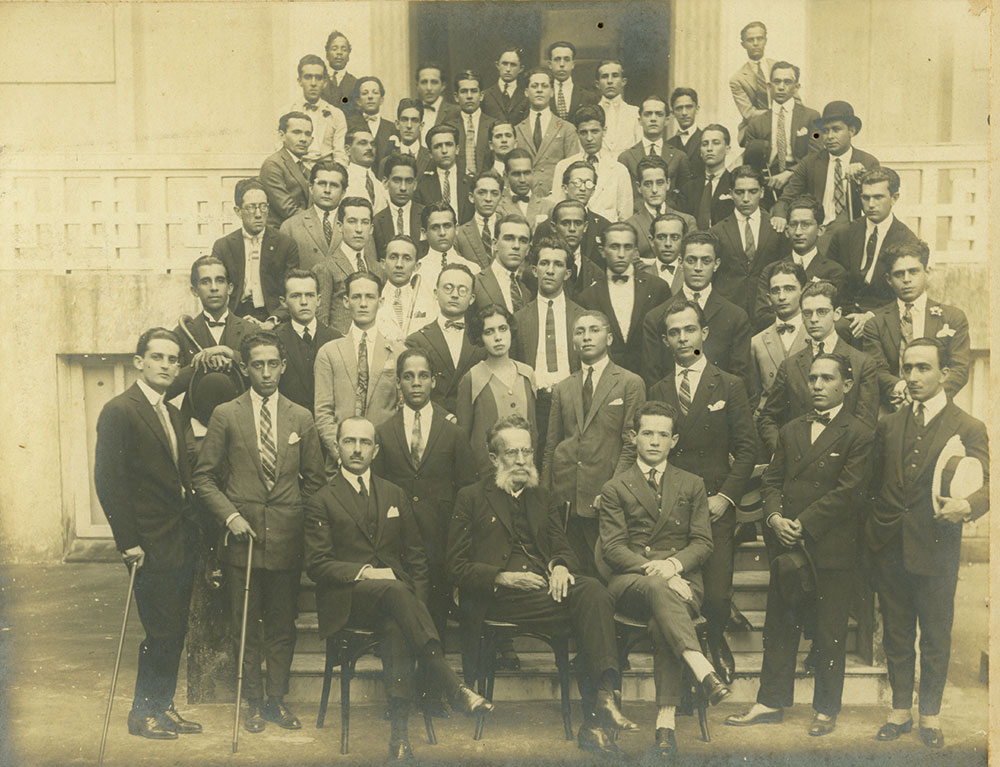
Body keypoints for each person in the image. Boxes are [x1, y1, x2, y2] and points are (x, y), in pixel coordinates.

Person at [304, 416, 493, 761]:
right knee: (392, 587)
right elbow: (317, 564)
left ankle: (400, 738)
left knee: (397, 626)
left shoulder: (394, 493)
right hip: (348, 599)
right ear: (338, 448)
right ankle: (454, 685)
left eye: (364, 442)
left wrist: (414, 604)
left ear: (376, 450)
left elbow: (416, 557)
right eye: (349, 441)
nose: (357, 449)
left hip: (395, 605)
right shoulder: (323, 499)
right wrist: (365, 573)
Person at [448, 415, 637, 757]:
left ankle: (600, 707)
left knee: (594, 592)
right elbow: (456, 567)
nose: (521, 461)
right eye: (512, 453)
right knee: (594, 603)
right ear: (494, 459)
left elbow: (561, 545)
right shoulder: (471, 497)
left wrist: (561, 565)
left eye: (527, 452)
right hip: (498, 598)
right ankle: (601, 703)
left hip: (544, 594)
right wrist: (501, 577)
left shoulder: (543, 497)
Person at [726, 353, 874, 737]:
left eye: (827, 378)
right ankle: (769, 701)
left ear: (846, 384)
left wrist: (802, 524)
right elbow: (772, 482)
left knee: (830, 631)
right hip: (787, 547)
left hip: (831, 549)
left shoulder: (859, 433)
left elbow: (849, 493)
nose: (818, 386)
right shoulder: (791, 429)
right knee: (779, 624)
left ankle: (826, 708)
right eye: (813, 379)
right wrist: (774, 518)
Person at [193, 331, 324, 733]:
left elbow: (316, 481)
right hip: (242, 539)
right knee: (246, 624)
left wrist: (296, 517)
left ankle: (276, 701)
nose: (266, 373)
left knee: (283, 625)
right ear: (245, 368)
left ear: (283, 366)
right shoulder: (226, 414)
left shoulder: (301, 417)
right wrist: (231, 517)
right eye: (257, 365)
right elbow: (204, 478)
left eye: (273, 364)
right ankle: (251, 702)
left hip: (287, 538)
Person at [867, 338, 989, 749]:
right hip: (891, 547)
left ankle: (931, 716)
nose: (914, 376)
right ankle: (900, 711)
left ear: (942, 373)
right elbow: (874, 484)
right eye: (908, 368)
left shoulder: (968, 426)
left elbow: (988, 486)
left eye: (923, 368)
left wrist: (966, 506)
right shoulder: (888, 423)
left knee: (936, 636)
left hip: (937, 548)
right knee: (897, 635)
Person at [598, 401, 732, 757]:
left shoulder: (691, 483)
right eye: (647, 433)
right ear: (633, 437)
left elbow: (703, 542)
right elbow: (613, 549)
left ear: (673, 440)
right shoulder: (615, 487)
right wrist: (657, 570)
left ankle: (666, 722)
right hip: (631, 581)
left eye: (662, 434)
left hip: (682, 580)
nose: (654, 441)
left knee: (663, 621)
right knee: (659, 588)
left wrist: (673, 566)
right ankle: (701, 668)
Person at [94, 328, 202, 740]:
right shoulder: (121, 410)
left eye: (173, 360)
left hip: (179, 538)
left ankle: (163, 705)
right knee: (160, 630)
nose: (166, 365)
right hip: (148, 543)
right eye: (157, 357)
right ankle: (143, 713)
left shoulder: (173, 413)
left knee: (174, 628)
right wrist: (128, 543)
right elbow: (109, 481)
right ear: (139, 361)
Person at [649, 300, 759, 683]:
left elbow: (748, 449)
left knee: (715, 594)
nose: (683, 339)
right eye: (675, 332)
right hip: (672, 507)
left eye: (689, 330)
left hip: (713, 506)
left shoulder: (729, 384)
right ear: (666, 339)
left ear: (703, 333)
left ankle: (714, 641)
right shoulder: (659, 389)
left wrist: (725, 498)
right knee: (678, 591)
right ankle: (686, 656)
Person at [373, 348, 478, 641]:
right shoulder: (384, 432)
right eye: (408, 377)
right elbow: (378, 488)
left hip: (440, 539)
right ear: (398, 383)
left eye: (423, 376)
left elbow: (467, 488)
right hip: (398, 541)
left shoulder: (453, 431)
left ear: (433, 381)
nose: (416, 383)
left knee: (436, 616)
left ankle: (434, 679)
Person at [543, 310, 645, 575]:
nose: (587, 337)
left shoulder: (630, 382)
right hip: (566, 495)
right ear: (574, 341)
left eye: (594, 330)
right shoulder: (563, 387)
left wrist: (613, 488)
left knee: (602, 573)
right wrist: (545, 493)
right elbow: (552, 444)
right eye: (580, 332)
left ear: (609, 338)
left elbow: (632, 444)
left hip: (605, 493)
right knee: (571, 573)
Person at [757, 280, 879, 455]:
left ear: (837, 313)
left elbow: (865, 425)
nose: (813, 319)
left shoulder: (862, 363)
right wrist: (782, 451)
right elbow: (767, 418)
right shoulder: (790, 365)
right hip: (796, 463)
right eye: (807, 313)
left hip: (840, 461)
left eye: (822, 312)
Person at [862, 240, 971, 406]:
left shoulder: (952, 318)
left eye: (913, 272)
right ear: (889, 279)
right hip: (892, 406)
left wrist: (931, 396)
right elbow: (876, 369)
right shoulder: (875, 324)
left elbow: (959, 368)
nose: (906, 279)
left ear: (927, 273)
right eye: (899, 274)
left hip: (937, 406)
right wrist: (902, 389)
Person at [314, 271, 404, 470]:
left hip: (386, 460)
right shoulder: (329, 352)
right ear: (346, 301)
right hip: (340, 462)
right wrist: (340, 454)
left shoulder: (397, 352)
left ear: (380, 301)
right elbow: (323, 412)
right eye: (356, 297)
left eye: (370, 297)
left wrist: (387, 452)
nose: (363, 303)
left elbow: (401, 408)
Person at [641, 231, 751, 387]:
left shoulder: (735, 316)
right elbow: (653, 378)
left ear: (716, 264)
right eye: (691, 260)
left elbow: (740, 378)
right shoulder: (656, 317)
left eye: (706, 261)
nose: (698, 268)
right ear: (680, 262)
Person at [511, 236, 586, 459]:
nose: (550, 270)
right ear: (534, 270)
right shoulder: (519, 319)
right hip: (535, 404)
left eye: (558, 264)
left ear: (568, 273)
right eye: (544, 263)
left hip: (572, 402)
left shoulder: (582, 317)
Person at [826, 168, 919, 337]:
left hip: (883, 319)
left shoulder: (906, 240)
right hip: (842, 318)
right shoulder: (844, 234)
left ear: (894, 198)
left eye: (878, 197)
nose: (871, 204)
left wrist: (871, 316)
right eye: (866, 197)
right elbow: (828, 280)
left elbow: (906, 293)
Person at [168, 256, 255, 429]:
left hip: (245, 428)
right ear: (194, 290)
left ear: (230, 288)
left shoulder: (250, 330)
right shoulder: (182, 333)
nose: (214, 288)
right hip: (196, 432)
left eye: (220, 281)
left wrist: (231, 355)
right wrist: (199, 364)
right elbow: (166, 387)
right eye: (206, 282)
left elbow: (265, 376)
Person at [577, 222, 671, 376]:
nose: (621, 254)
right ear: (602, 251)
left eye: (627, 247)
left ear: (635, 251)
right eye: (614, 247)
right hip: (607, 381)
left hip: (650, 379)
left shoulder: (658, 288)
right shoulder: (588, 297)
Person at [771, 101, 879, 233]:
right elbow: (786, 198)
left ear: (851, 131)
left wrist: (860, 177)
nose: (830, 137)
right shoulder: (810, 162)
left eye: (836, 129)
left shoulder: (867, 162)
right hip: (819, 233)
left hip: (854, 233)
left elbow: (876, 205)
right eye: (825, 131)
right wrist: (779, 216)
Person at [456, 303, 536, 476]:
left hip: (524, 474)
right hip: (487, 477)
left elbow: (533, 430)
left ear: (510, 331)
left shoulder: (527, 374)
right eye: (489, 332)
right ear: (481, 337)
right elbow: (463, 439)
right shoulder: (472, 378)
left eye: (502, 329)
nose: (498, 337)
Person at [213, 179, 299, 324]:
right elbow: (217, 290)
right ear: (238, 212)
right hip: (234, 316)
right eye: (251, 207)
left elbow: (293, 290)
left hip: (274, 317)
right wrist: (233, 321)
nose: (258, 214)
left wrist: (272, 321)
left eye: (263, 207)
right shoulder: (223, 246)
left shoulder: (285, 244)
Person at [753, 196, 847, 328]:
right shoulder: (771, 270)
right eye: (793, 225)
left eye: (805, 225)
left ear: (820, 230)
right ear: (786, 231)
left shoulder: (834, 272)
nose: (798, 232)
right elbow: (762, 315)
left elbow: (833, 317)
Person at [406, 263, 486, 415]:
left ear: (471, 299)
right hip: (432, 424)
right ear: (436, 293)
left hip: (472, 424)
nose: (455, 295)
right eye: (448, 288)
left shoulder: (482, 340)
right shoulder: (417, 341)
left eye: (462, 290)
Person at [710, 165, 787, 320]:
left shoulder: (775, 228)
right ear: (731, 194)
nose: (746, 198)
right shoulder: (717, 231)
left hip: (766, 310)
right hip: (729, 311)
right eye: (739, 192)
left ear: (762, 192)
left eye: (752, 191)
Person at [742, 61, 820, 206]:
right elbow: (751, 160)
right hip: (768, 184)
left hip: (802, 181)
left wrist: (790, 173)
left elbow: (816, 153)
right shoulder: (756, 123)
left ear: (796, 87)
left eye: (787, 82)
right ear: (769, 86)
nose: (781, 87)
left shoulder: (811, 118)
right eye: (777, 82)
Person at [550, 104, 633, 222]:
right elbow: (557, 209)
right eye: (584, 132)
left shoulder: (619, 170)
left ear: (604, 131)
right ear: (577, 133)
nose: (589, 138)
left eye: (594, 131)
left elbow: (625, 216)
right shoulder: (563, 166)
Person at [274, 269, 341, 412]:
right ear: (283, 302)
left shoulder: (336, 339)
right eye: (296, 296)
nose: (304, 302)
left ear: (319, 300)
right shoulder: (274, 340)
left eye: (310, 295)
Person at [312, 196, 380, 335]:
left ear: (371, 228)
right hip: (341, 345)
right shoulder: (325, 268)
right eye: (352, 222)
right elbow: (321, 322)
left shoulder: (377, 268)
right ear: (340, 226)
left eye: (365, 222)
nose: (359, 229)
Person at [750, 260, 810, 416]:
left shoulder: (815, 334)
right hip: (768, 424)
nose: (782, 297)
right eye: (776, 291)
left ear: (803, 292)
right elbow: (754, 394)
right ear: (769, 299)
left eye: (789, 289)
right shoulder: (757, 342)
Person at [618, 94, 692, 212]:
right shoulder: (626, 158)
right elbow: (624, 198)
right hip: (637, 221)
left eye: (659, 114)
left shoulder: (679, 157)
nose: (653, 119)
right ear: (640, 120)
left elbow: (685, 197)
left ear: (667, 120)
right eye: (648, 114)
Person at [515, 68, 580, 197]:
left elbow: (574, 170)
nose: (539, 90)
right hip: (526, 198)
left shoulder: (567, 129)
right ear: (526, 92)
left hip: (555, 197)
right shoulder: (517, 130)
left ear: (552, 92)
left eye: (544, 86)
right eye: (534, 86)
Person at [279, 159, 347, 272]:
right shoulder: (290, 226)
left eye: (334, 185)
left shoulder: (354, 224)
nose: (327, 190)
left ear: (343, 193)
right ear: (311, 188)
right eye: (322, 184)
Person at [628, 155, 696, 264]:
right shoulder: (630, 225)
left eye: (659, 183)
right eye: (648, 184)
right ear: (638, 187)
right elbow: (633, 263)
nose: (654, 190)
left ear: (668, 184)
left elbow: (692, 259)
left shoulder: (687, 220)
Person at [290, 54, 348, 169]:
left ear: (325, 82)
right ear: (299, 81)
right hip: (295, 173)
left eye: (318, 77)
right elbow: (281, 151)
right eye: (308, 77)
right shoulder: (287, 112)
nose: (313, 83)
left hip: (326, 172)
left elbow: (340, 154)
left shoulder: (336, 114)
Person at [259, 112, 313, 229]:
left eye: (307, 134)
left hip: (301, 228)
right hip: (280, 233)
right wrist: (317, 223)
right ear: (282, 135)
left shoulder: (306, 168)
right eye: (296, 132)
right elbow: (287, 208)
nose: (303, 139)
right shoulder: (273, 164)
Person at [473, 213, 534, 314]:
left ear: (528, 249)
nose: (516, 246)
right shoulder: (476, 284)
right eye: (509, 239)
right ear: (494, 244)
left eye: (523, 240)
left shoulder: (526, 291)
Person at [414, 124, 473, 224]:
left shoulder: (471, 182)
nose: (444, 151)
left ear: (457, 149)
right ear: (430, 154)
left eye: (449, 144)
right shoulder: (422, 186)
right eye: (438, 146)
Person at [543, 199, 604, 297]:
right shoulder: (539, 271)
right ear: (553, 227)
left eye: (578, 223)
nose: (572, 229)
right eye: (565, 223)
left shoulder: (597, 273)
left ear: (585, 227)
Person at [680, 123, 734, 230]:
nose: (709, 148)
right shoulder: (689, 188)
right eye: (705, 144)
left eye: (716, 143)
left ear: (727, 149)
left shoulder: (734, 184)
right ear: (700, 151)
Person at [377, 235, 429, 344]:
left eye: (407, 258)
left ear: (417, 266)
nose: (399, 265)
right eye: (393, 257)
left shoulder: (428, 300)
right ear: (383, 263)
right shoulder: (371, 298)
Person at [373, 153, 423, 263]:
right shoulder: (376, 221)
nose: (403, 188)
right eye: (397, 180)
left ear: (414, 184)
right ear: (385, 182)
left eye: (408, 181)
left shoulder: (426, 216)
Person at [728, 22, 773, 145]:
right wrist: (778, 113)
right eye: (750, 40)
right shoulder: (737, 79)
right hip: (755, 131)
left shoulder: (779, 69)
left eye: (760, 38)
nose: (755, 43)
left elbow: (796, 102)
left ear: (766, 40)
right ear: (743, 45)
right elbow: (749, 113)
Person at [448, 70, 497, 179]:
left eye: (474, 91)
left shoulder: (494, 125)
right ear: (456, 97)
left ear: (481, 95)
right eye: (464, 91)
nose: (469, 96)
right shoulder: (449, 128)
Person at [455, 168, 504, 269]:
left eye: (494, 193)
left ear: (501, 198)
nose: (488, 199)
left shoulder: (509, 229)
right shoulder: (460, 234)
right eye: (482, 193)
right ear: (471, 197)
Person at [347, 76, 396, 176]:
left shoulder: (392, 128)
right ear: (358, 101)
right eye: (365, 93)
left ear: (381, 99)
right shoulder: (348, 125)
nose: (370, 97)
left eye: (375, 92)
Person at [496, 148, 554, 228]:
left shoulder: (549, 207)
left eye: (527, 173)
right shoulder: (498, 207)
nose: (522, 180)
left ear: (533, 173)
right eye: (516, 174)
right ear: (505, 176)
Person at [594, 60, 641, 158]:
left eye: (615, 76)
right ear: (597, 84)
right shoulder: (591, 113)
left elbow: (640, 147)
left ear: (623, 81)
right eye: (605, 76)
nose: (610, 81)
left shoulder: (635, 113)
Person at [546, 40, 599, 120]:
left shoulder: (588, 96)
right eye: (557, 59)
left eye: (566, 59)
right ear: (550, 64)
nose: (562, 64)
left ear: (573, 64)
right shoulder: (542, 93)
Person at [638, 212, 687, 293]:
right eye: (661, 237)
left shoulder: (691, 274)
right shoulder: (641, 275)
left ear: (683, 240)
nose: (668, 243)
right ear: (651, 241)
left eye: (674, 237)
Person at [343, 128, 389, 214]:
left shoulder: (379, 184)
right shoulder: (343, 181)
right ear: (347, 150)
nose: (370, 148)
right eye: (363, 143)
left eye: (373, 144)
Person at [415, 61, 461, 146]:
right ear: (417, 86)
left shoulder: (456, 112)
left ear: (443, 86)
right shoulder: (413, 113)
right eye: (424, 82)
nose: (429, 88)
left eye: (434, 82)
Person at [482, 45, 530, 126]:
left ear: (521, 69)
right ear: (497, 65)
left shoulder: (526, 95)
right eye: (505, 64)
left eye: (513, 65)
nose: (508, 69)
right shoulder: (486, 95)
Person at [386, 99, 432, 177]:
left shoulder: (431, 158)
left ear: (421, 126)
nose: (409, 126)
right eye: (404, 120)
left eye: (414, 120)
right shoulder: (386, 161)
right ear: (397, 124)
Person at [666, 87, 703, 174]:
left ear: (697, 109)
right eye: (679, 108)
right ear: (673, 113)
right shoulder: (667, 145)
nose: (684, 113)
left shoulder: (706, 140)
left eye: (689, 107)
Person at [321, 30, 357, 115]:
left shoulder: (355, 83)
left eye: (344, 49)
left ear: (348, 56)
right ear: (327, 54)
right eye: (334, 49)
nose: (339, 53)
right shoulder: (318, 79)